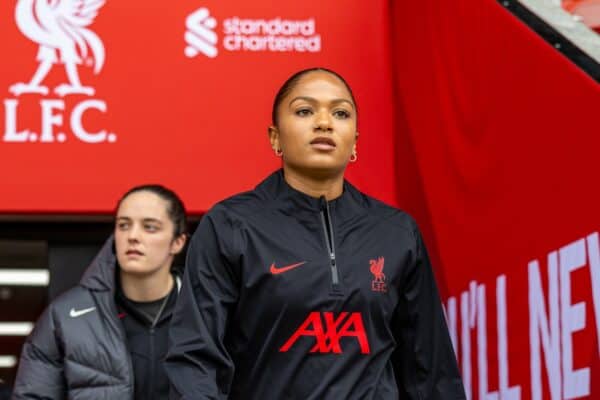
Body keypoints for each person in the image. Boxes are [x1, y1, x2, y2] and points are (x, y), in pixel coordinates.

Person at [165, 67, 465, 399]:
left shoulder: (397, 233)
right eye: (305, 110)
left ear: (354, 141)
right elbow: (195, 357)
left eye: (340, 113)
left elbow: (430, 368)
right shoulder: (231, 225)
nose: (324, 122)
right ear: (275, 138)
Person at [12, 185, 188, 399]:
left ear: (177, 242)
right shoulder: (66, 316)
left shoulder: (208, 314)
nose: (133, 236)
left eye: (150, 227)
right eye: (123, 225)